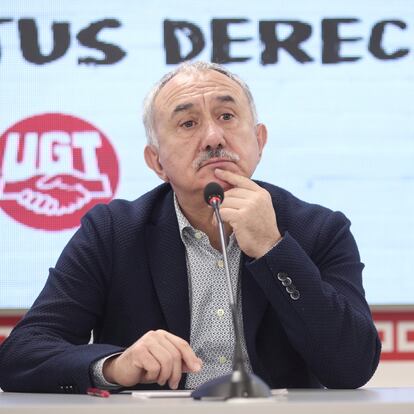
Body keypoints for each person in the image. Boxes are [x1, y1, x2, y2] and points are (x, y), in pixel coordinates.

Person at [0, 61, 381, 393]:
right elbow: (21, 355)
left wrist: (272, 248)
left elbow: (352, 367)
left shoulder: (318, 229)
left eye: (227, 116)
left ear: (259, 141)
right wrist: (114, 366)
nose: (214, 137)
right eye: (187, 123)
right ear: (157, 162)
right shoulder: (113, 232)